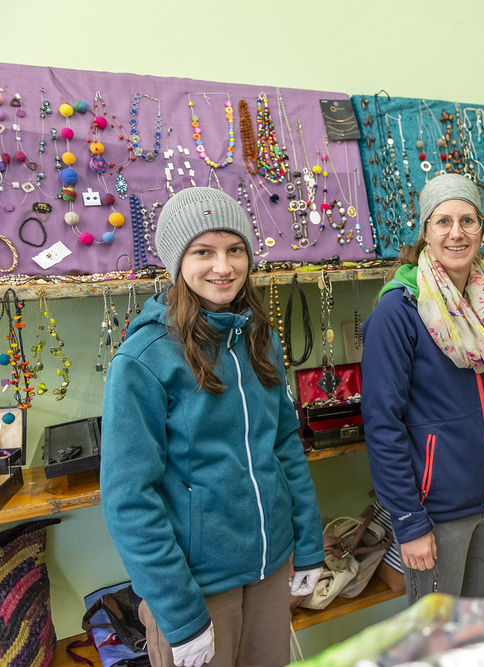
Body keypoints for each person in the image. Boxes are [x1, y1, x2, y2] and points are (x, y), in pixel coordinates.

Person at [101, 188, 324, 667]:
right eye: (203, 251)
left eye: (235, 249)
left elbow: (285, 447)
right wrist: (180, 615)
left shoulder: (259, 339)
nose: (223, 266)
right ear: (178, 261)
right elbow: (129, 499)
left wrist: (308, 543)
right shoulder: (143, 360)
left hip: (270, 569)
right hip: (197, 588)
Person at [361, 174, 484, 603]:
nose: (456, 233)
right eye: (443, 221)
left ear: (481, 228)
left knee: (483, 623)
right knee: (438, 632)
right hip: (437, 512)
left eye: (468, 220)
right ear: (425, 231)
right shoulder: (398, 310)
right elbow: (382, 424)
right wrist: (409, 522)